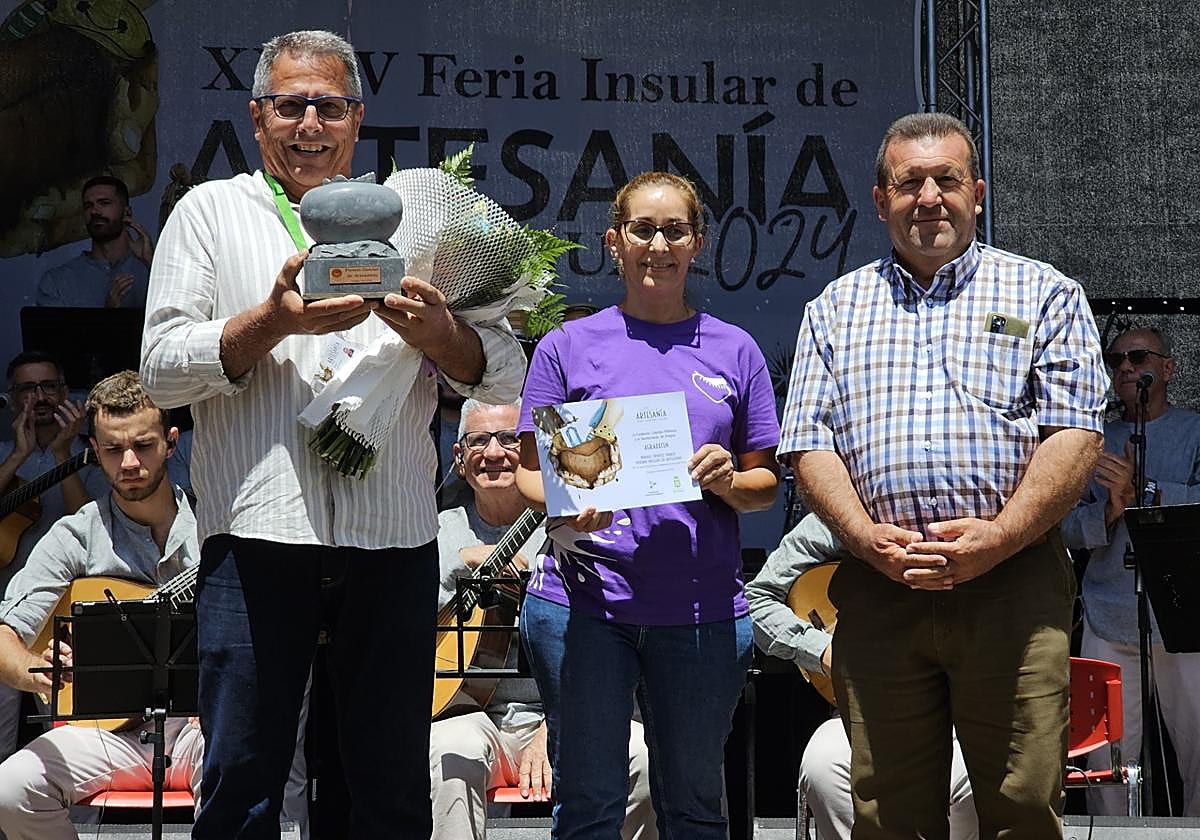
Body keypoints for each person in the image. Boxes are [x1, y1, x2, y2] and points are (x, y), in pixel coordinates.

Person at [139, 29, 526, 839]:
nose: (309, 123)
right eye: (291, 105)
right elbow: (162, 372)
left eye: (330, 105)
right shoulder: (209, 213)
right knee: (243, 775)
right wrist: (270, 323)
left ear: (357, 119)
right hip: (257, 534)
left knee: (387, 783)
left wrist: (439, 336)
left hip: (393, 539)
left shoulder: (416, 220)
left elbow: (502, 374)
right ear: (256, 117)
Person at [778, 112, 1109, 838]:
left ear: (978, 192)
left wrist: (1001, 535)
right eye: (909, 183)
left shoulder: (1044, 295)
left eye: (946, 179)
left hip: (1012, 587)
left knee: (1021, 807)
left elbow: (1075, 435)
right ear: (879, 199)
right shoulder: (835, 308)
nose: (928, 197)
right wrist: (863, 537)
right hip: (878, 588)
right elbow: (808, 444)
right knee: (889, 815)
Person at [514, 171, 780, 839]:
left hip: (700, 611)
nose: (658, 244)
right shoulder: (566, 346)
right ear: (614, 242)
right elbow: (526, 477)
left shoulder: (734, 349)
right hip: (581, 606)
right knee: (588, 809)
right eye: (642, 230)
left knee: (694, 811)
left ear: (697, 244)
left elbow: (765, 485)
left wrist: (726, 480)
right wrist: (569, 506)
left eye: (675, 230)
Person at [432, 397, 657, 840]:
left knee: (645, 761)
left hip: (575, 712)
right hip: (472, 714)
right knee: (446, 753)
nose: (493, 452)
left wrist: (557, 727)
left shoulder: (575, 529)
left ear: (534, 454)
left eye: (510, 439)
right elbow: (402, 603)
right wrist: (462, 562)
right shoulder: (437, 530)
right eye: (479, 440)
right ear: (459, 460)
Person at [0, 371, 199, 839]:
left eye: (143, 445)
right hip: (106, 738)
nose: (129, 462)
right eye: (112, 450)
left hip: (199, 730)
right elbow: (5, 633)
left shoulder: (217, 526)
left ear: (171, 443)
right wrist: (33, 670)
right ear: (93, 450)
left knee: (251, 771)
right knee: (10, 788)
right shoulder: (75, 535)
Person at [745, 513, 978, 840]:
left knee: (985, 776)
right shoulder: (835, 519)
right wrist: (822, 650)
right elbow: (756, 600)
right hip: (866, 712)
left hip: (967, 713)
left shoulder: (982, 507)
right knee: (824, 763)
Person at [1062, 326, 1200, 816]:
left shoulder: (1194, 430)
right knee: (1107, 752)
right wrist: (1108, 511)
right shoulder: (1089, 440)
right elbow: (1059, 528)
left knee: (1197, 744)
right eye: (1115, 359)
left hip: (1184, 617)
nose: (1125, 367)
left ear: (1167, 369)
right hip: (1106, 611)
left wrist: (1146, 491)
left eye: (1138, 357)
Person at [0, 351, 109, 763]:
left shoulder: (95, 456)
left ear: (65, 393)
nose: (40, 397)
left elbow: (89, 524)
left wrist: (65, 455)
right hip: (5, 616)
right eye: (28, 389)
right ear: (13, 398)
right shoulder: (3, 452)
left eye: (48, 386)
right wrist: (18, 456)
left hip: (63, 620)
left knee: (72, 749)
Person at [36, 175, 154, 308]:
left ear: (127, 212)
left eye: (104, 203)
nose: (94, 211)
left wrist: (151, 263)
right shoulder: (56, 282)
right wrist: (106, 318)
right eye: (88, 206)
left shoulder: (150, 269)